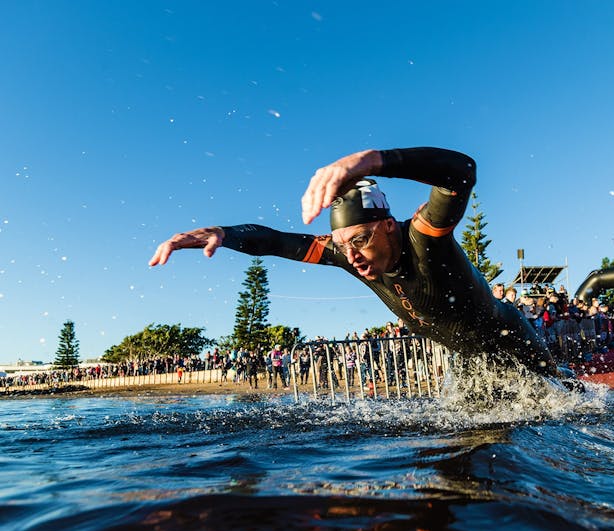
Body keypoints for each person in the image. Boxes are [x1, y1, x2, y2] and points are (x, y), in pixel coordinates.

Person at [150, 146, 565, 382]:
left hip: (515, 346)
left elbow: (462, 172)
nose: (350, 256)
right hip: (472, 363)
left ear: (388, 226)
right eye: (342, 244)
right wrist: (225, 234)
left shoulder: (424, 237)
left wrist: (374, 161)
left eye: (360, 240)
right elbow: (276, 241)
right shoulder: (350, 255)